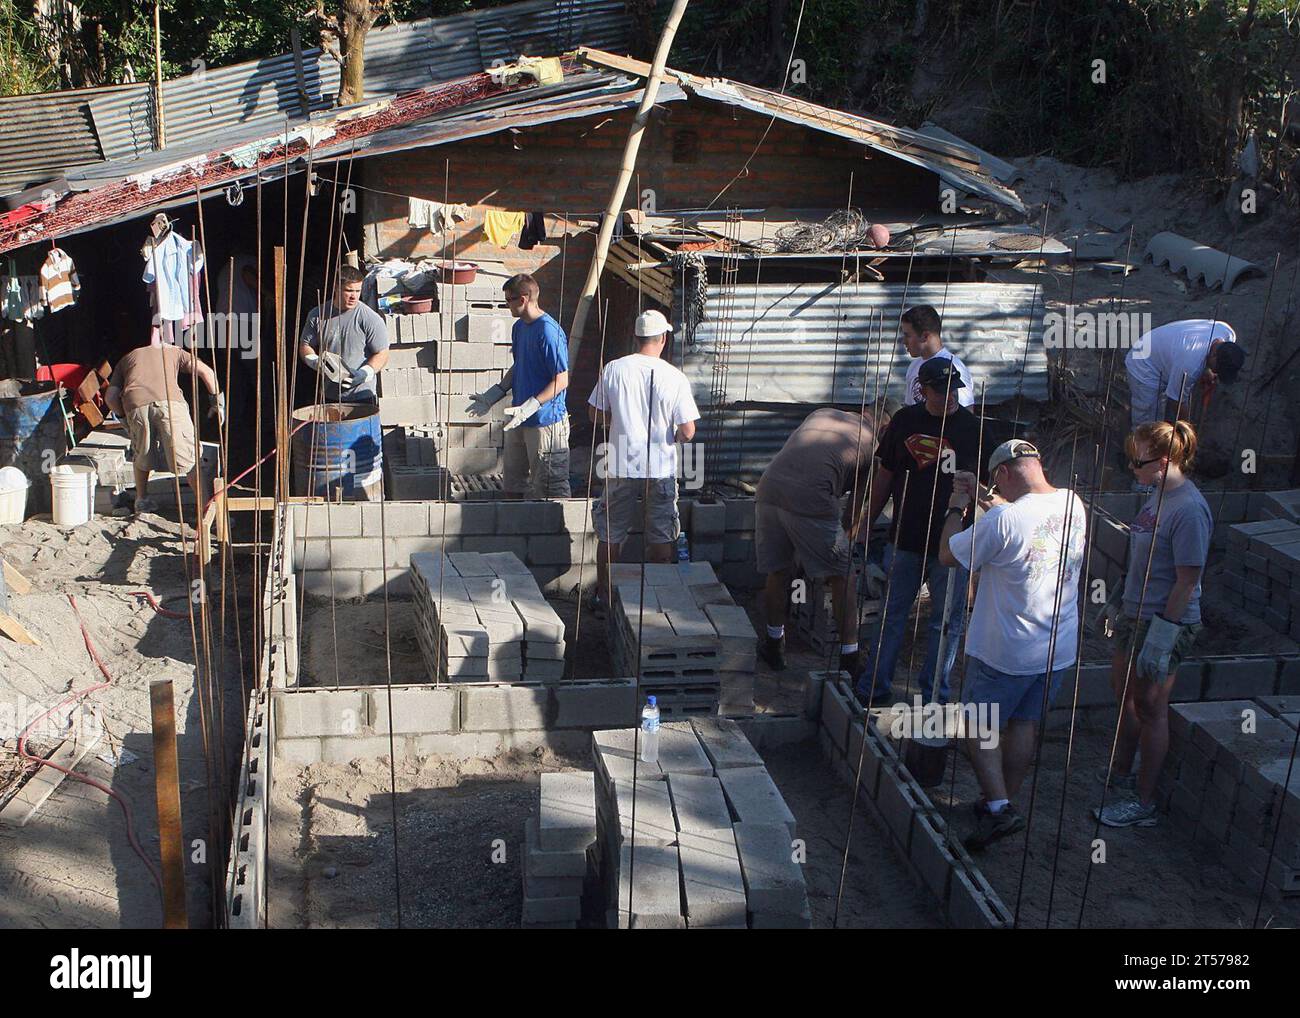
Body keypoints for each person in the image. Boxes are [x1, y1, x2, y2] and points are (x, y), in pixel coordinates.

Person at [937, 440, 1087, 851]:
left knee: (974, 723)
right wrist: (987, 498)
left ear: (1002, 474)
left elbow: (949, 554)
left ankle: (1000, 809)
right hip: (1056, 646)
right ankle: (996, 804)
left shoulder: (1002, 519)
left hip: (1006, 649)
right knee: (1023, 723)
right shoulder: (1073, 504)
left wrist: (957, 506)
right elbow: (1018, 516)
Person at [1095, 421, 1211, 828]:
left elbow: (1187, 580)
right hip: (1134, 613)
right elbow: (1139, 559)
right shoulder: (1155, 496)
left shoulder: (1190, 510)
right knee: (1125, 694)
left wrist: (1162, 640)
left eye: (1137, 462)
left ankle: (1143, 802)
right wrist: (1116, 600)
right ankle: (1121, 774)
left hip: (1163, 619)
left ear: (1162, 462)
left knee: (1151, 706)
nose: (1132, 468)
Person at [855, 357, 980, 707]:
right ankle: (873, 689)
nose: (948, 396)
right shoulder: (905, 422)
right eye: (940, 391)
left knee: (946, 624)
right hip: (906, 537)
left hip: (951, 544)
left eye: (953, 389)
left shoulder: (972, 428)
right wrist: (866, 523)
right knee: (892, 616)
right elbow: (885, 476)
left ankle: (934, 698)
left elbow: (984, 488)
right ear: (922, 390)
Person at [754, 399, 895, 673]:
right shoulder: (871, 444)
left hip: (769, 487)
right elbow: (855, 509)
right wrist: (843, 546)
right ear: (886, 424)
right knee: (843, 575)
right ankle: (850, 659)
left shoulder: (822, 412)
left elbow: (803, 455)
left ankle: (773, 644)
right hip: (812, 497)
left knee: (778, 571)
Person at [587, 309, 700, 609]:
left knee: (611, 534)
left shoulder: (614, 369)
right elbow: (688, 431)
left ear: (636, 337)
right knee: (661, 535)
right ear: (663, 338)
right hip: (660, 467)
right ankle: (656, 599)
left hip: (620, 463)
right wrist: (670, 437)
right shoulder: (675, 377)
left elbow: (594, 414)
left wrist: (621, 421)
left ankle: (605, 598)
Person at [466, 273, 570, 498]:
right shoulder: (520, 327)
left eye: (508, 301)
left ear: (523, 299)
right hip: (519, 418)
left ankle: (552, 531)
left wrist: (533, 404)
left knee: (549, 486)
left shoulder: (549, 332)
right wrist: (495, 393)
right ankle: (516, 526)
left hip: (545, 421)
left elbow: (562, 379)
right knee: (513, 483)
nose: (507, 306)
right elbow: (520, 365)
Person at [104, 341, 224, 515]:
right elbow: (207, 372)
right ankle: (206, 511)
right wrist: (217, 403)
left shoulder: (127, 359)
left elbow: (111, 397)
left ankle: (142, 500)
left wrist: (124, 419)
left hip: (135, 403)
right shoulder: (175, 351)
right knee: (189, 458)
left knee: (142, 452)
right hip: (170, 402)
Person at [1125, 318, 1244, 427]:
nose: (1216, 373)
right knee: (1147, 424)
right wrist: (1188, 430)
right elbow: (1176, 400)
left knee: (1158, 418)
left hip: (1160, 352)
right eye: (1217, 369)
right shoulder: (1189, 365)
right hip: (1143, 365)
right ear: (1213, 356)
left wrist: (1207, 369)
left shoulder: (1227, 333)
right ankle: (1138, 447)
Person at [298, 265, 389, 405]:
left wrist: (364, 373)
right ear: (336, 287)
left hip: (362, 396)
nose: (354, 296)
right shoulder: (317, 315)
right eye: (348, 290)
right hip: (329, 395)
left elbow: (382, 353)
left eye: (358, 290)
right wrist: (315, 362)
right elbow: (305, 346)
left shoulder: (370, 318)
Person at [900, 304, 974, 408]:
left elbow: (967, 414)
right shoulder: (913, 366)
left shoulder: (953, 368)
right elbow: (909, 408)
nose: (904, 341)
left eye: (908, 335)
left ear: (925, 336)